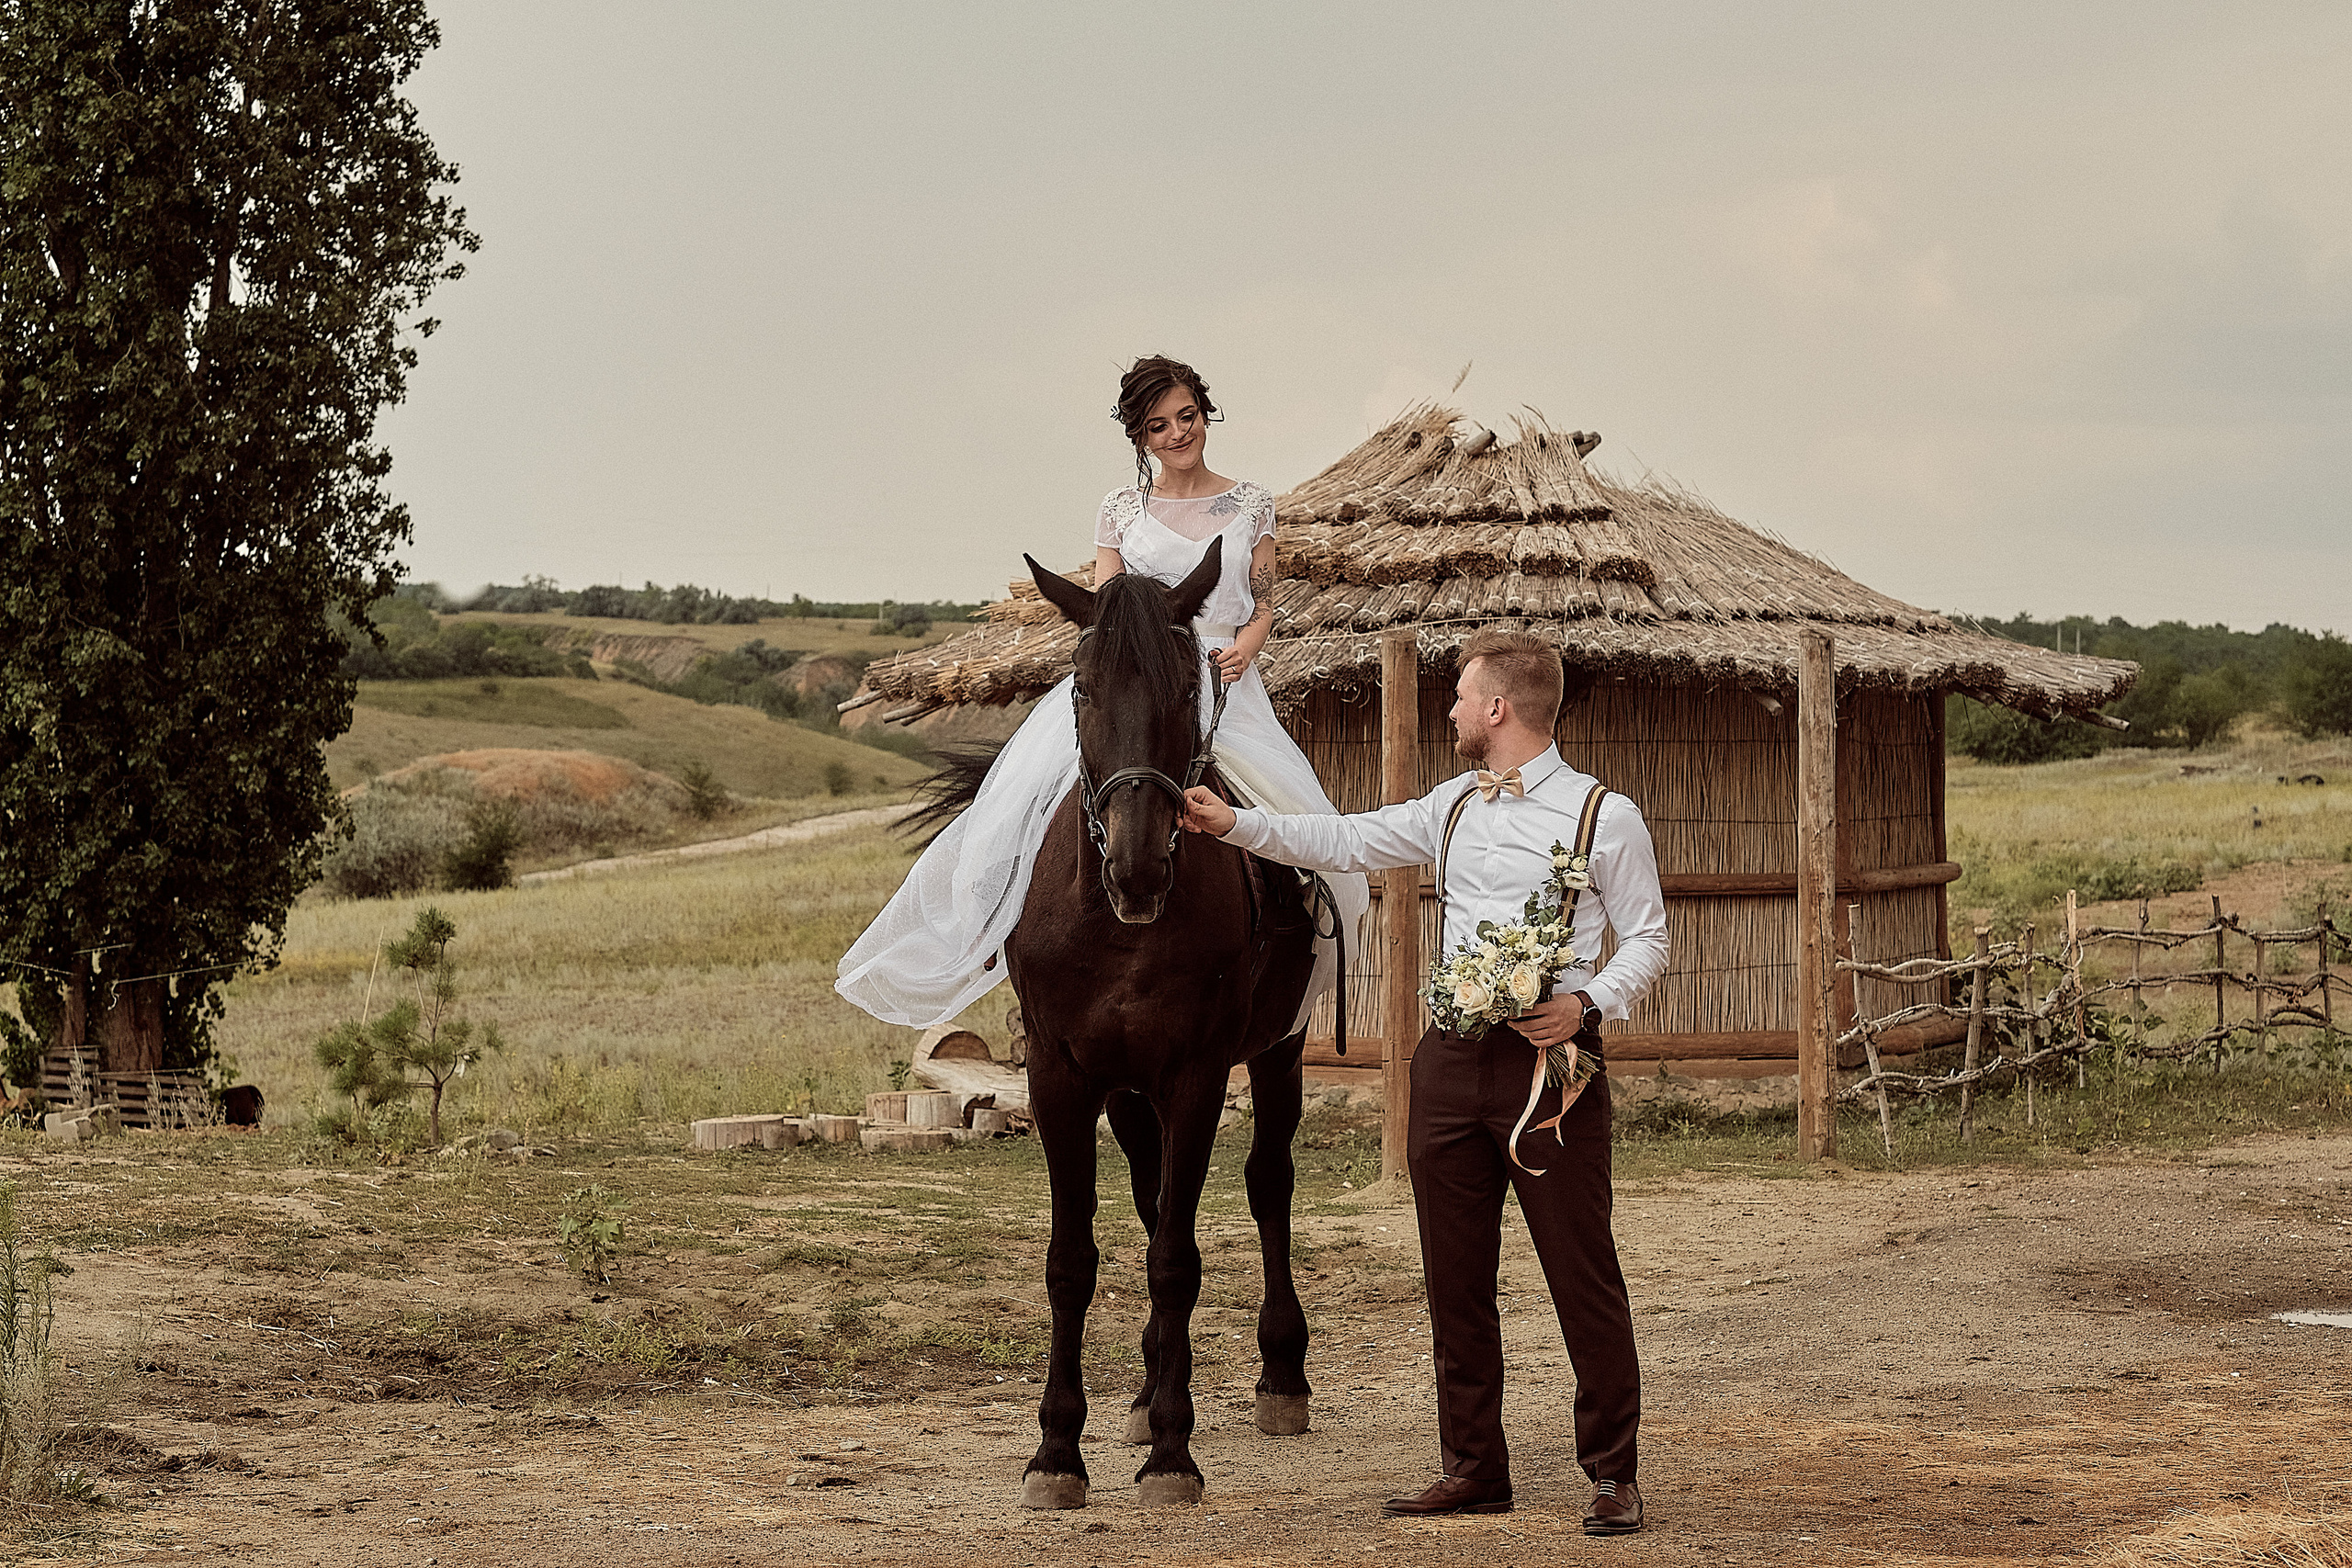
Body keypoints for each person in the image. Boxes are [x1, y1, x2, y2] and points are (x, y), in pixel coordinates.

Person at [1178, 629, 1669, 1535]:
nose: (1447, 711)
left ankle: (1612, 1473)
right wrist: (1233, 825)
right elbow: (1347, 838)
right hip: (1446, 1061)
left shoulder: (1607, 817)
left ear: (1498, 709)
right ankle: (1473, 1465)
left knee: (1580, 1272)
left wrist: (1588, 1005)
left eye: (1458, 698)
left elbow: (1647, 937)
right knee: (1454, 1277)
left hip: (1553, 1063)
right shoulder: (1450, 805)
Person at [835, 355, 1369, 1035]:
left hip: (1225, 688)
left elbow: (1264, 604)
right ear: (1139, 438)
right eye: (1158, 426)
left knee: (1307, 839)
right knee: (1017, 815)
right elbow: (1106, 611)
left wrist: (1249, 645)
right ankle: (1008, 937)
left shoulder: (1252, 504)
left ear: (1206, 413)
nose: (1178, 433)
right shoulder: (1120, 511)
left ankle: (1286, 955)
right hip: (1134, 691)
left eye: (1187, 416)